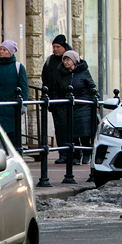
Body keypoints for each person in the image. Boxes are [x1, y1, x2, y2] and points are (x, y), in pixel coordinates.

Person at [61, 51, 99, 165]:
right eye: (64, 60)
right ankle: (76, 155)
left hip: (83, 106)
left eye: (68, 60)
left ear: (74, 61)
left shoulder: (83, 72)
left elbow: (92, 87)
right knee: (72, 134)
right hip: (69, 106)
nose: (66, 62)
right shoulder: (62, 73)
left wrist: (95, 101)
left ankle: (87, 153)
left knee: (84, 132)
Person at [43, 35, 74, 163]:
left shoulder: (70, 58)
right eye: (54, 47)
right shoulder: (50, 60)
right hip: (54, 99)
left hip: (67, 99)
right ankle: (62, 153)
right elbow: (44, 77)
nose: (55, 49)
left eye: (58, 47)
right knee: (59, 128)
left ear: (63, 47)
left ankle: (73, 153)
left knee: (70, 127)